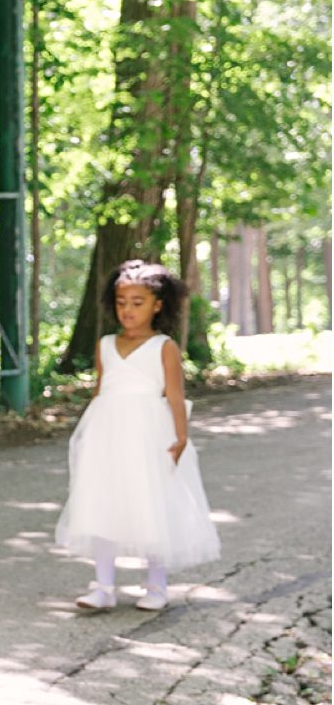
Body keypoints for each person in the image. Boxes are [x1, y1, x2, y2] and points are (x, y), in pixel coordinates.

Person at [55, 259, 219, 610]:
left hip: (148, 433)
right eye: (121, 302)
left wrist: (181, 437)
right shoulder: (105, 344)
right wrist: (86, 434)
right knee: (101, 502)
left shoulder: (164, 347)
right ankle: (103, 586)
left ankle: (156, 586)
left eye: (137, 303)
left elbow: (174, 395)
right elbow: (101, 390)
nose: (127, 310)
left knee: (150, 502)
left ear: (157, 305)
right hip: (107, 431)